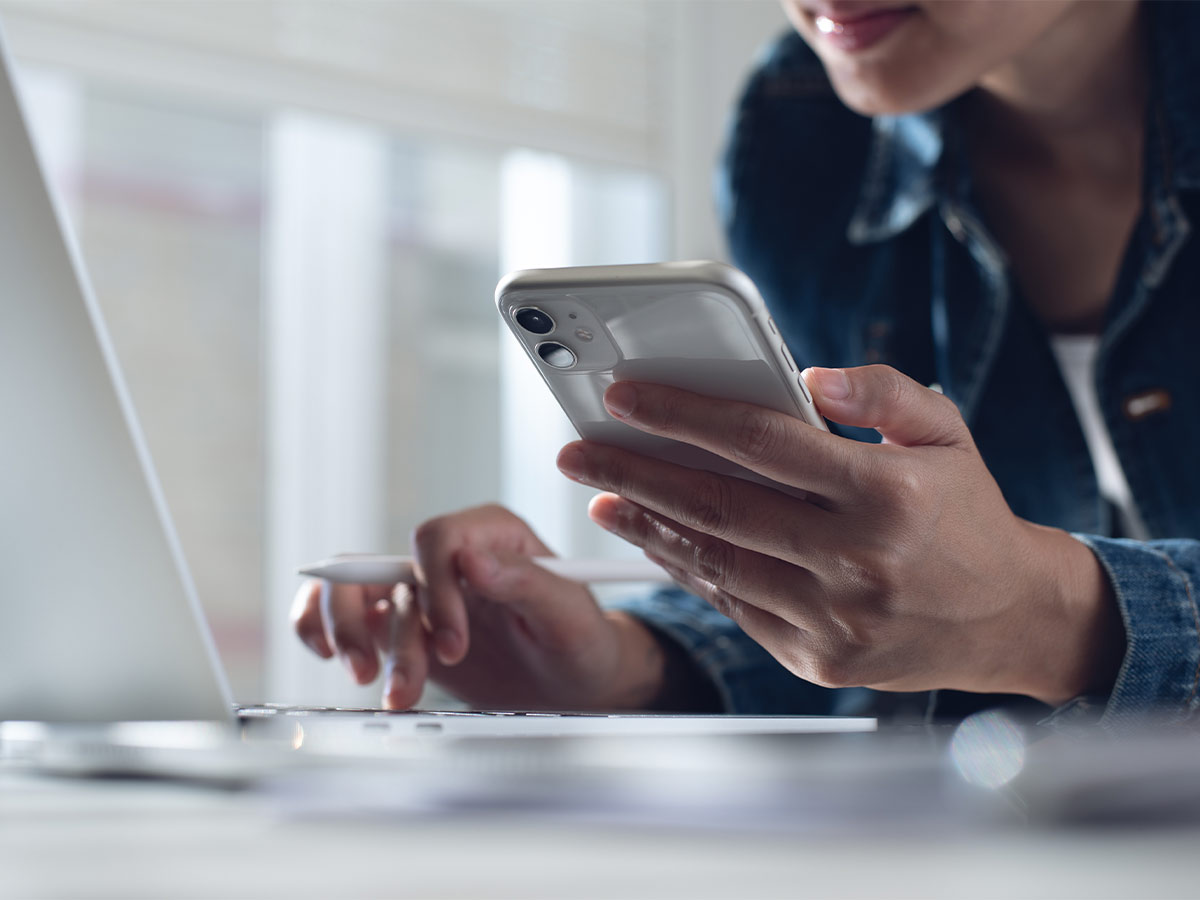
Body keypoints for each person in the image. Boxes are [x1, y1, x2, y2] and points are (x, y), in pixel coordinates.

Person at [292, 0, 1199, 730]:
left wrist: (1046, 618)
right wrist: (625, 665)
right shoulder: (806, 134)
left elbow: (980, 619)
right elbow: (879, 615)